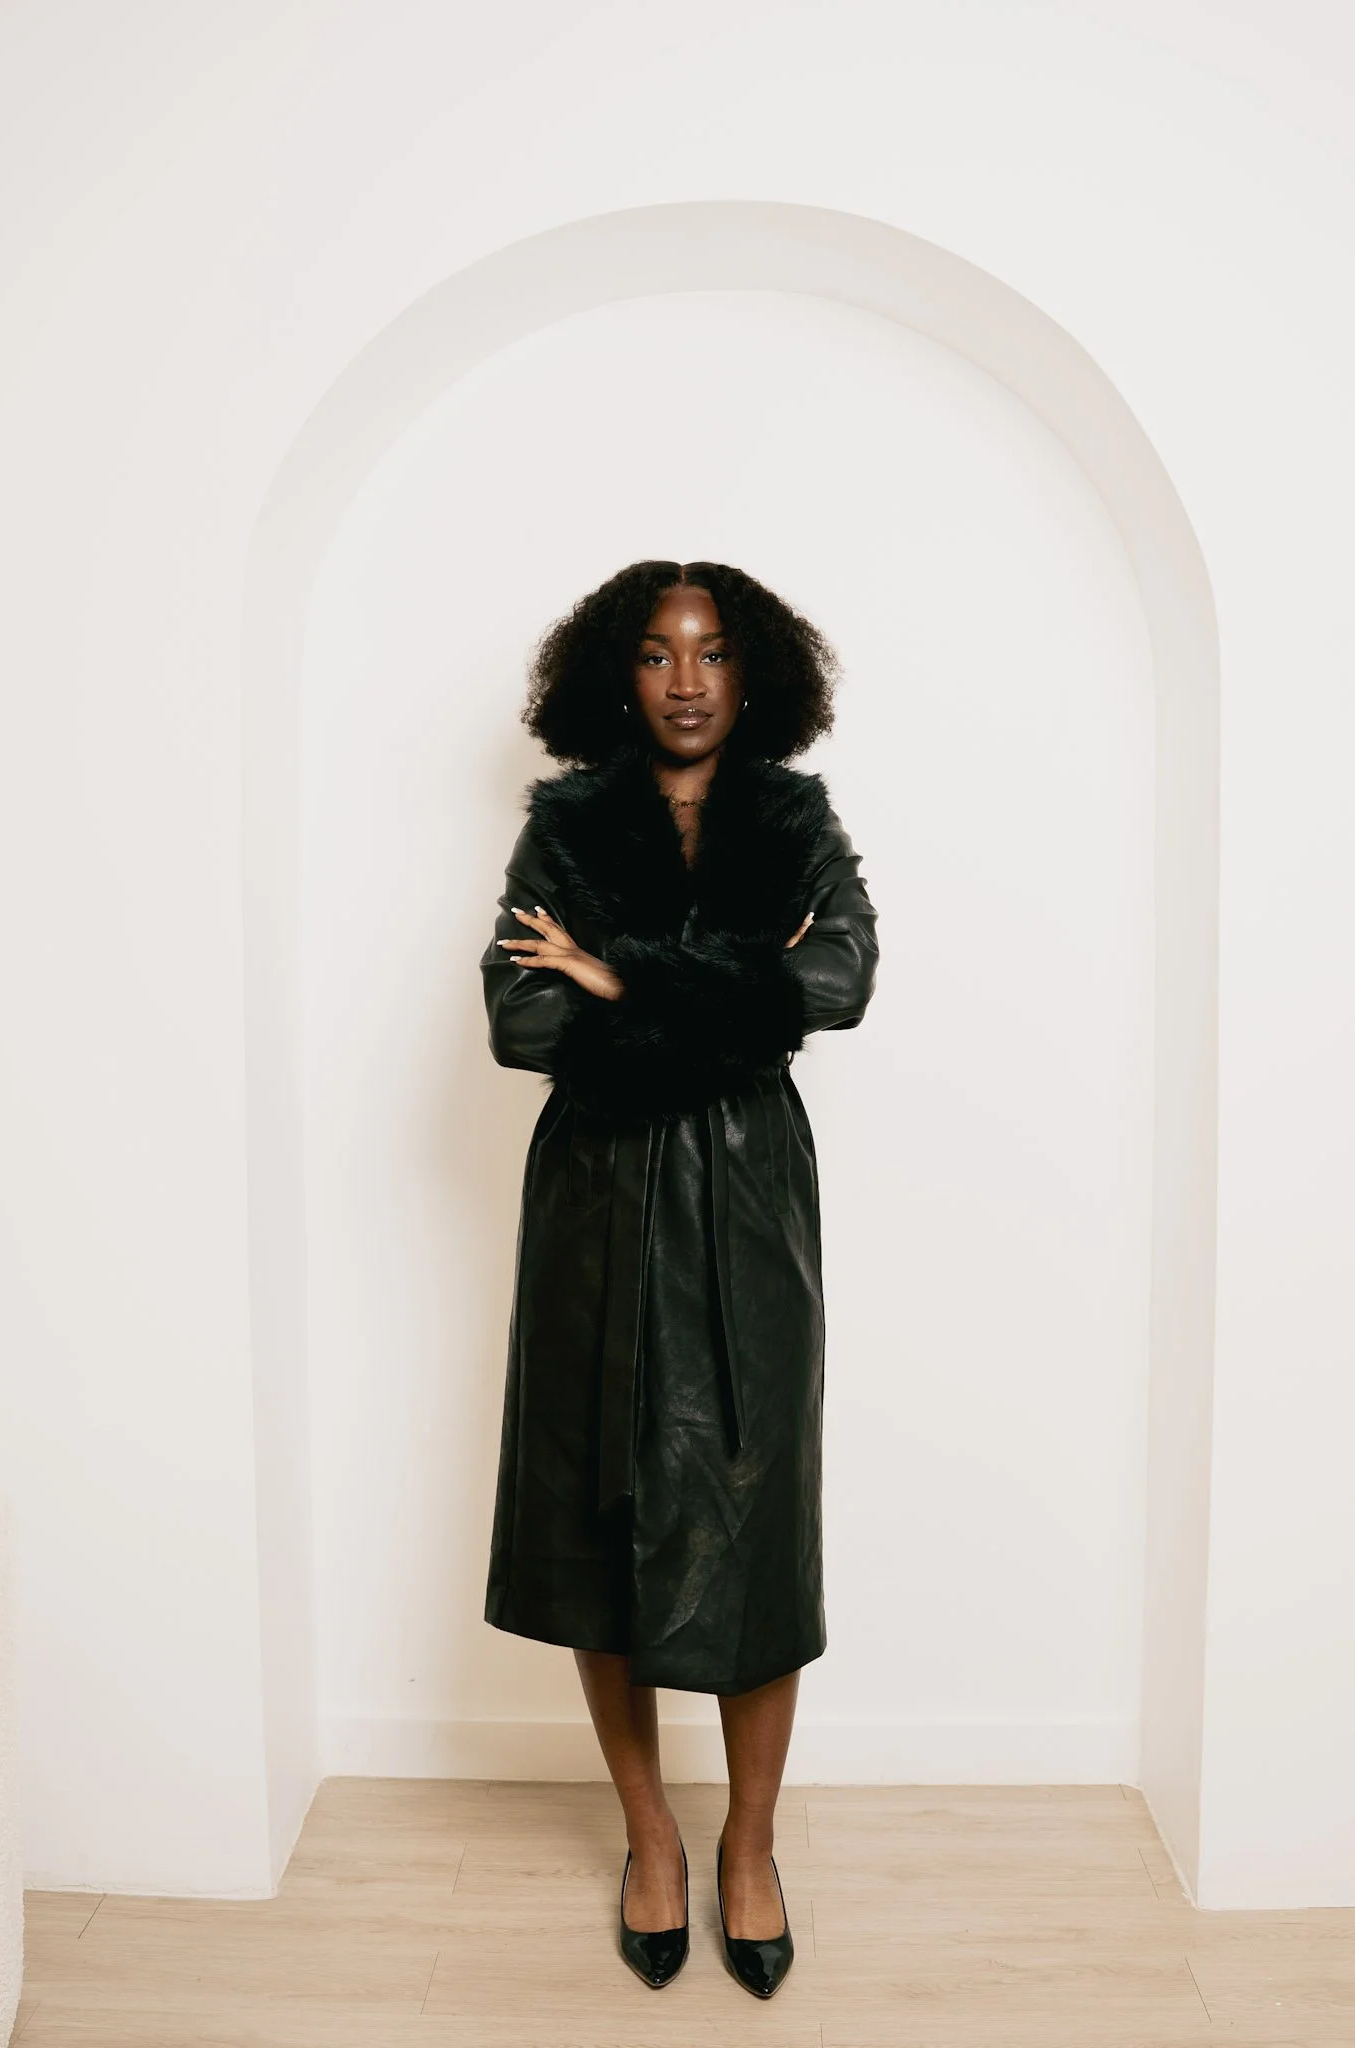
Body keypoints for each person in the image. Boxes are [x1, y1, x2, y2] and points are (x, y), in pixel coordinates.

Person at [479, 559, 879, 1997]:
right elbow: (523, 1023)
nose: (688, 680)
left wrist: (621, 976)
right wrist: (718, 988)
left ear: (755, 672)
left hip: (752, 1198)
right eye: (656, 654)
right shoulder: (568, 827)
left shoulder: (794, 820)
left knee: (757, 1511)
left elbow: (839, 981)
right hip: (599, 1197)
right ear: (616, 676)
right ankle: (651, 1833)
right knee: (605, 1504)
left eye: (712, 654)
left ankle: (749, 1845)